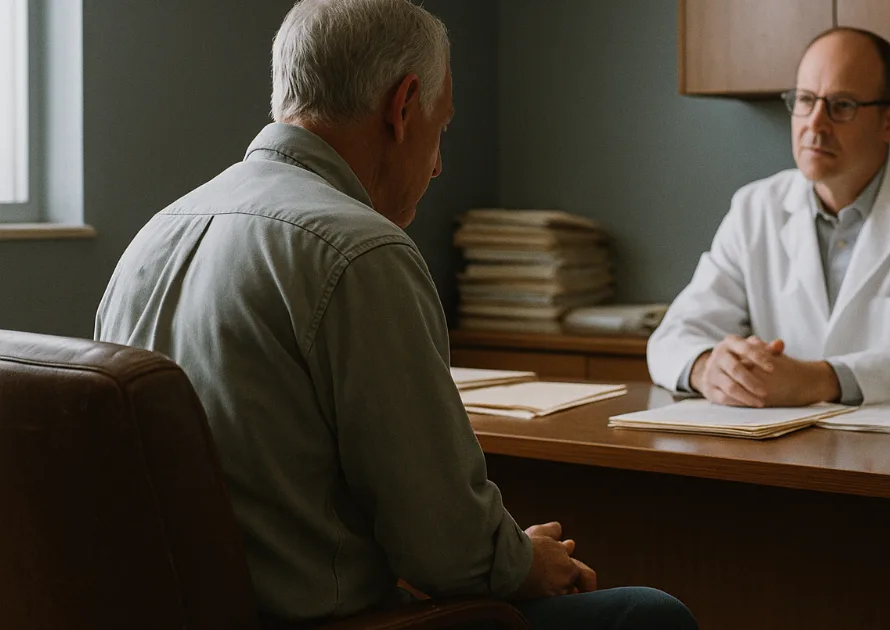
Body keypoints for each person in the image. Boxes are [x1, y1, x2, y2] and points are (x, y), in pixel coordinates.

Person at [94, 1, 696, 629]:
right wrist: (524, 561)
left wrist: (501, 552)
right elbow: (447, 549)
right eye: (442, 128)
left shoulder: (155, 235)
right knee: (650, 616)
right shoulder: (360, 249)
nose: (437, 164)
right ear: (403, 106)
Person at [647, 27, 890, 407]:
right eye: (805, 100)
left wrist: (824, 380)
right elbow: (675, 335)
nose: (815, 125)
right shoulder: (755, 207)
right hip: (774, 446)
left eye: (841, 105)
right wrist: (708, 369)